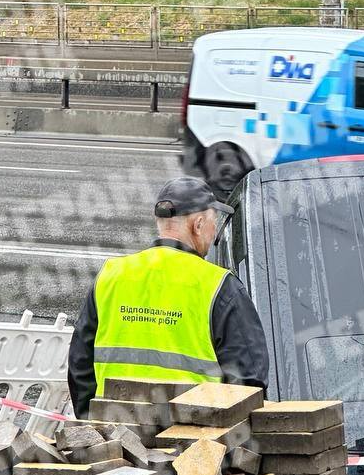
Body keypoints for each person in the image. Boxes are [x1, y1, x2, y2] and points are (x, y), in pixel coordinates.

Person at [67, 176, 269, 418]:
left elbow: (80, 363)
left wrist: (92, 423)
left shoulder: (111, 275)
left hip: (117, 436)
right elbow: (248, 382)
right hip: (195, 441)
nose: (215, 231)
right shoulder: (218, 285)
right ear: (198, 224)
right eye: (214, 222)